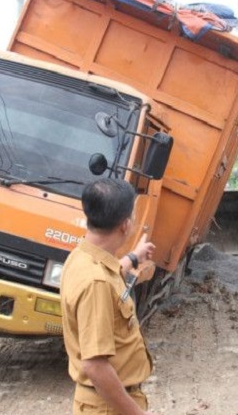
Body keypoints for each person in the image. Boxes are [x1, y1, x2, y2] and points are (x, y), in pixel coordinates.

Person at [60, 178, 158, 415]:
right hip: (108, 407)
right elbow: (95, 366)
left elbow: (110, 276)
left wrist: (134, 257)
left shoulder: (82, 256)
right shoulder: (96, 284)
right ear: (125, 225)